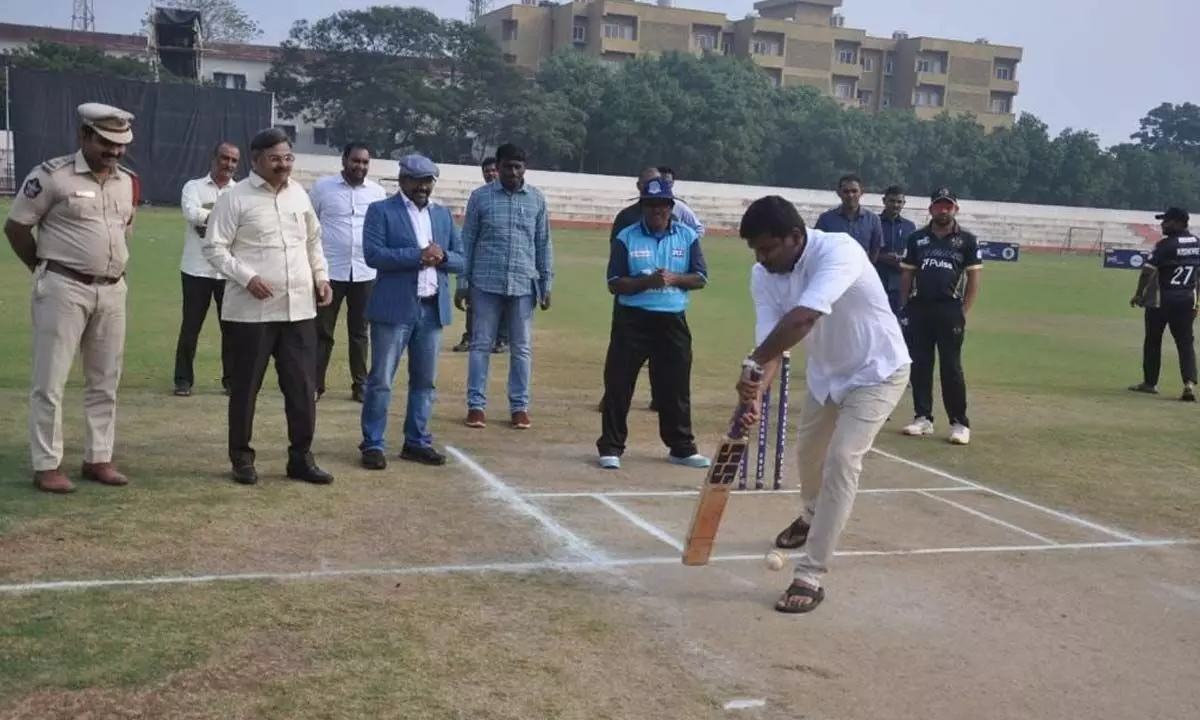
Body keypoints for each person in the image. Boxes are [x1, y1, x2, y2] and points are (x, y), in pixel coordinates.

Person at [736, 195, 910, 614]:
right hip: (827, 376)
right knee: (807, 455)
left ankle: (810, 574)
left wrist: (752, 364)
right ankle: (812, 514)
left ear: (795, 237)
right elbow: (771, 343)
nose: (761, 259)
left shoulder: (839, 251)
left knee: (843, 459)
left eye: (768, 249)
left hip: (877, 371)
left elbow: (801, 320)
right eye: (755, 251)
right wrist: (756, 389)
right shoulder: (764, 275)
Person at [4, 102, 140, 494]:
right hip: (63, 287)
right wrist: (44, 270)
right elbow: (16, 228)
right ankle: (47, 464)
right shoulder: (51, 176)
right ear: (83, 136)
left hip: (113, 289)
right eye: (106, 143)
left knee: (105, 381)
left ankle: (99, 458)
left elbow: (125, 228)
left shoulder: (126, 181)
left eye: (121, 145)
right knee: (50, 381)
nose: (114, 152)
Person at [202, 127, 335, 486]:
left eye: (288, 158)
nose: (283, 165)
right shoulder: (235, 198)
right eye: (275, 159)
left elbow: (313, 242)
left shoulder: (299, 196)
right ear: (256, 159)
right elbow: (214, 248)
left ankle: (301, 458)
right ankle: (242, 458)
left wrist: (321, 277)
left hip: (299, 311)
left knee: (302, 388)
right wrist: (247, 277)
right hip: (251, 314)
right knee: (245, 389)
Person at [596, 177, 710, 470]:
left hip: (672, 320)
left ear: (671, 207)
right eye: (650, 206)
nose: (656, 211)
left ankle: (681, 447)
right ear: (642, 207)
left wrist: (673, 278)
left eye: (662, 206)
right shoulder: (627, 236)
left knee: (675, 385)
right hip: (632, 320)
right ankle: (611, 446)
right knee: (619, 383)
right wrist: (647, 281)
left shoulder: (687, 236)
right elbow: (614, 283)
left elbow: (700, 277)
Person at [359, 155, 464, 470]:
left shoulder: (442, 215)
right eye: (418, 180)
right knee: (381, 380)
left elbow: (462, 259)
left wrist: (441, 256)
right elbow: (374, 255)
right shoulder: (381, 211)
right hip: (393, 309)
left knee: (425, 382)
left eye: (429, 180)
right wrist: (418, 256)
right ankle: (373, 444)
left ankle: (416, 441)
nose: (424, 186)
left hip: (431, 309)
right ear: (402, 180)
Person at [460, 143, 553, 430]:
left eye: (518, 166)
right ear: (497, 168)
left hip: (524, 284)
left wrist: (546, 282)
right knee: (480, 346)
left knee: (522, 348)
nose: (513, 172)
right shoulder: (480, 198)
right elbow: (468, 241)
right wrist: (462, 283)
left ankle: (519, 406)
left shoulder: (536, 199)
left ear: (525, 168)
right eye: (508, 166)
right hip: (485, 283)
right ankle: (476, 405)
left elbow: (543, 243)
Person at [898, 187, 982, 445]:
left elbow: (973, 278)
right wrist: (904, 309)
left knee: (951, 367)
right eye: (938, 206)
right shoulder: (917, 239)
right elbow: (907, 276)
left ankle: (959, 422)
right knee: (920, 365)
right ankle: (923, 417)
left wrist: (963, 311)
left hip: (949, 309)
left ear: (955, 209)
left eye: (948, 206)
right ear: (931, 209)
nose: (943, 210)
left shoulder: (966, 240)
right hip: (920, 307)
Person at [309, 142, 387, 403]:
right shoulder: (323, 188)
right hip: (329, 272)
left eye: (365, 162)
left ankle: (360, 384)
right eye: (355, 161)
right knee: (322, 331)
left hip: (364, 272)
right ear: (344, 160)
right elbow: (311, 227)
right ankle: (315, 384)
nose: (360, 166)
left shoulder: (377, 192)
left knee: (360, 332)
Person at [173, 141, 239, 397]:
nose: (229, 165)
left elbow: (241, 222)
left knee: (231, 330)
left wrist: (210, 218)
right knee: (190, 327)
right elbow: (191, 213)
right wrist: (224, 220)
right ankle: (182, 380)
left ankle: (232, 380)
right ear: (213, 158)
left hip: (227, 271)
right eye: (224, 158)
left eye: (234, 161)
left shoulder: (239, 192)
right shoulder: (194, 187)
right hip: (196, 269)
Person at [1128, 207, 1198, 402]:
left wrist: (1138, 294)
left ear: (1178, 222)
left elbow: (1147, 271)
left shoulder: (1166, 245)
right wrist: (1197, 304)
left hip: (1162, 300)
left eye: (1166, 221)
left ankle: (1150, 383)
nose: (1162, 224)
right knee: (1185, 342)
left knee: (1153, 340)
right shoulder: (1197, 243)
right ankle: (1189, 384)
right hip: (1186, 300)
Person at [453, 156, 509, 354]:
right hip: (480, 260)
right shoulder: (478, 197)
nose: (490, 174)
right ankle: (470, 337)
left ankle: (501, 339)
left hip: (503, 261)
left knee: (504, 300)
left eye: (493, 170)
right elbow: (469, 233)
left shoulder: (510, 198)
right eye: (487, 171)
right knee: (473, 300)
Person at [815, 173, 883, 264]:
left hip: (861, 271)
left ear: (861, 192)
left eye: (854, 191)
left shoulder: (873, 220)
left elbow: (875, 250)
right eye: (846, 191)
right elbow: (817, 247)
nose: (850, 195)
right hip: (833, 269)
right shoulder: (826, 219)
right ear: (838, 193)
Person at [876, 185, 917, 314]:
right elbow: (864, 251)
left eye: (899, 202)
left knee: (897, 322)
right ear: (884, 201)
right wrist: (883, 257)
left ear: (904, 203)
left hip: (900, 283)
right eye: (892, 201)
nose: (895, 205)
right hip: (877, 279)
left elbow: (913, 255)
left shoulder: (909, 226)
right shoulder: (873, 222)